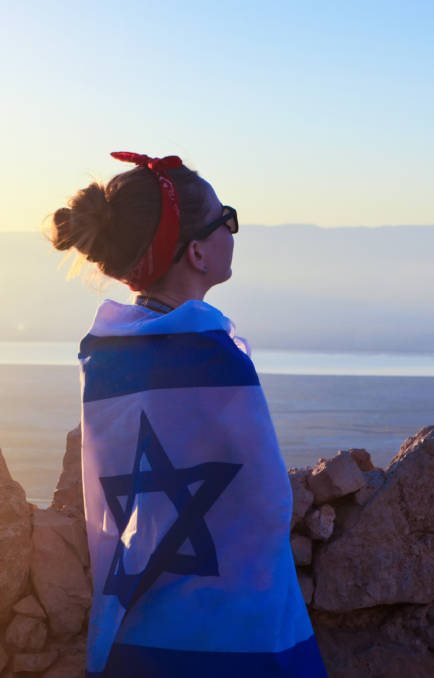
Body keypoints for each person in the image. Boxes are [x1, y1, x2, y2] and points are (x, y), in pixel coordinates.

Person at [47, 152, 326, 677]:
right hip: (231, 635)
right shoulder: (209, 353)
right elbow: (265, 500)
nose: (233, 233)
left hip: (140, 629)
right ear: (197, 252)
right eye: (228, 221)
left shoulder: (106, 352)